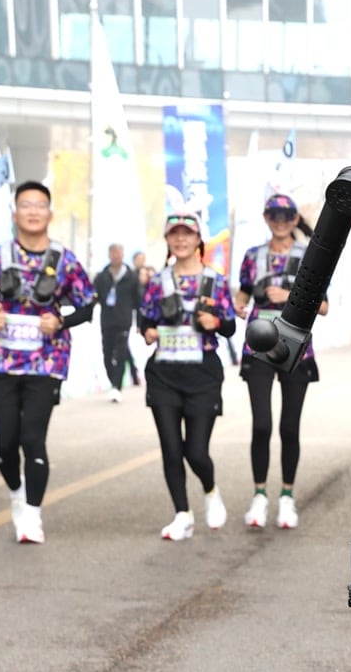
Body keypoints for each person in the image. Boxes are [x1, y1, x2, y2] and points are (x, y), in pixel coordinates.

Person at [0, 181, 97, 544]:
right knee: (4, 445)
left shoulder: (65, 260)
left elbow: (88, 305)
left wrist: (61, 320)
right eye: (25, 204)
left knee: (32, 438)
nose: (32, 211)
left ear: (49, 213)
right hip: (2, 359)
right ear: (15, 213)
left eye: (39, 205)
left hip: (46, 360)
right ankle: (16, 493)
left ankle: (32, 514)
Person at [140, 213, 236, 539]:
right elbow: (144, 320)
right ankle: (182, 514)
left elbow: (232, 325)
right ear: (167, 240)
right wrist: (148, 331)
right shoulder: (157, 281)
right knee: (170, 448)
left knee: (195, 451)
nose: (180, 240)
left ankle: (210, 491)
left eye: (187, 234)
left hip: (203, 376)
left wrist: (217, 324)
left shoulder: (215, 281)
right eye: (174, 234)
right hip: (163, 373)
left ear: (198, 241)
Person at [235, 193, 322, 529]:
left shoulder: (308, 256)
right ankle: (259, 496)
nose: (281, 221)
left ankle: (287, 497)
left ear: (295, 218)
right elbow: (243, 291)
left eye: (287, 215)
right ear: (265, 217)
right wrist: (239, 303)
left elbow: (323, 305)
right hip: (258, 344)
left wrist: (289, 297)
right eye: (275, 215)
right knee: (261, 424)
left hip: (295, 346)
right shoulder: (252, 256)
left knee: (289, 427)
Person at [96, 242, 141, 401]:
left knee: (121, 352)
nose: (116, 256)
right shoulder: (102, 276)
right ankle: (112, 381)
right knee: (107, 353)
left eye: (119, 253)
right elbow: (93, 297)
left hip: (124, 320)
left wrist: (140, 323)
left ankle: (117, 386)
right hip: (107, 320)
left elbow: (138, 301)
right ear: (109, 255)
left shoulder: (131, 277)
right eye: (113, 253)